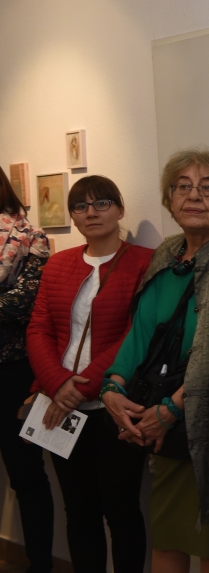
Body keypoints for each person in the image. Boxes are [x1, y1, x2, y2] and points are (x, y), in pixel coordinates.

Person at [101, 149, 209, 573]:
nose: (194, 196)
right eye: (183, 186)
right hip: (158, 424)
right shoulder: (166, 253)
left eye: (208, 187)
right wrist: (113, 387)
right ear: (170, 198)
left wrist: (172, 409)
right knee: (167, 538)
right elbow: (141, 334)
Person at [27, 176, 153, 573]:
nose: (91, 212)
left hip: (116, 404)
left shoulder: (145, 261)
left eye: (102, 203)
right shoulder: (58, 264)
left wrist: (79, 388)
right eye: (80, 206)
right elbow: (39, 328)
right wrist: (57, 384)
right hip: (61, 405)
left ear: (120, 209)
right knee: (79, 510)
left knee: (122, 509)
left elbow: (137, 333)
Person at [0, 166, 54, 573]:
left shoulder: (32, 237)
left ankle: (40, 564)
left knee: (27, 476)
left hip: (14, 373)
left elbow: (23, 304)